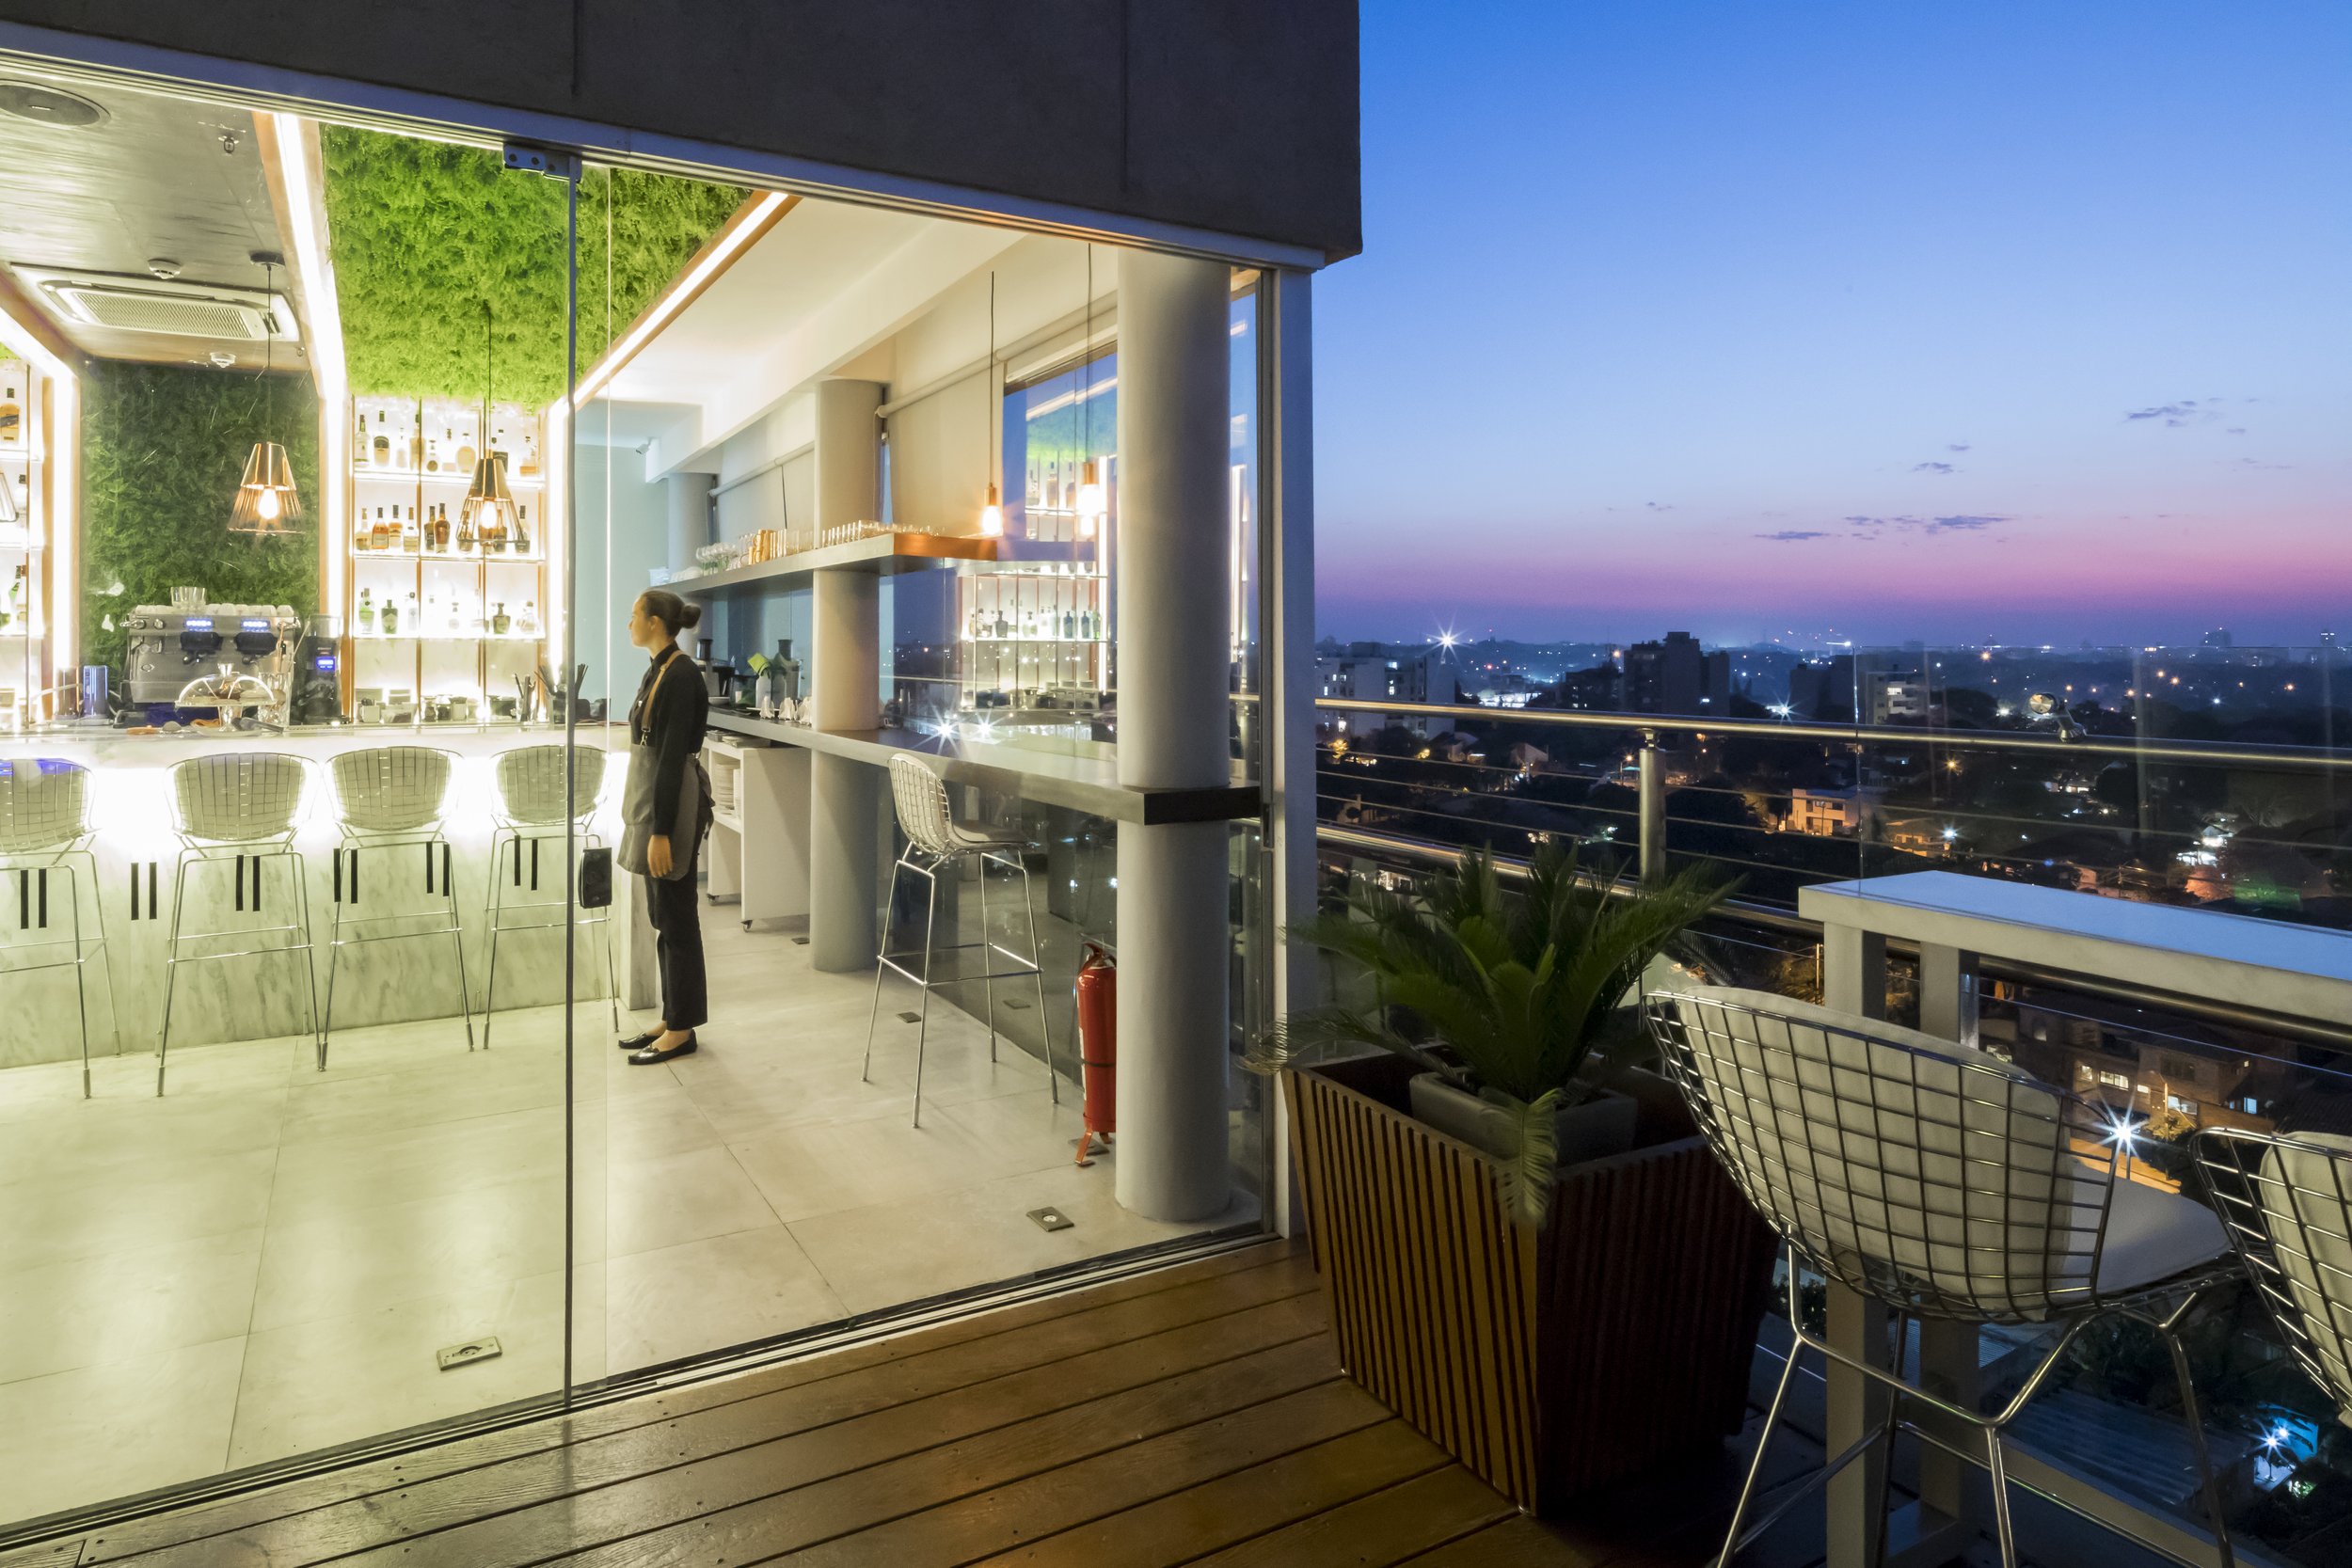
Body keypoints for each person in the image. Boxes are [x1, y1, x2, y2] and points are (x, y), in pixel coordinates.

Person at [617, 588, 710, 1064]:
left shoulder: (681, 676)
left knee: (678, 917)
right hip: (658, 802)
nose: (627, 622)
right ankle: (673, 1016)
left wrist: (660, 830)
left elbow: (672, 760)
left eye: (634, 615)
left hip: (671, 807)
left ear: (655, 622)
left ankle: (683, 1028)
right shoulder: (660, 668)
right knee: (663, 917)